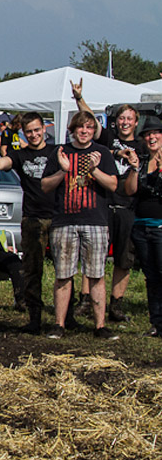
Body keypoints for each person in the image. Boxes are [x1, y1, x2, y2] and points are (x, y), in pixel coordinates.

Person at [0, 112, 58, 333]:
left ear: (44, 129)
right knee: (32, 269)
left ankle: (63, 318)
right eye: (29, 132)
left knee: (63, 270)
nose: (34, 135)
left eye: (37, 130)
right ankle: (34, 317)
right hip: (32, 218)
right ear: (24, 133)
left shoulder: (56, 152)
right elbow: (2, 161)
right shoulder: (20, 155)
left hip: (59, 217)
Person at [41, 110, 119, 340]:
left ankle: (100, 326)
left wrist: (94, 170)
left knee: (96, 274)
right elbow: (45, 185)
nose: (84, 132)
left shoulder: (102, 153)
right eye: (80, 127)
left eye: (89, 128)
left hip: (95, 221)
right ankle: (59, 324)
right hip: (64, 221)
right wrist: (62, 172)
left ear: (93, 131)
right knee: (63, 275)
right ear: (72, 130)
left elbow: (113, 185)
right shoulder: (60, 152)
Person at [74, 82, 143, 323]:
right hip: (102, 204)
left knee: (125, 257)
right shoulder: (109, 139)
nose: (125, 122)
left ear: (136, 122)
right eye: (122, 118)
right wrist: (79, 98)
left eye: (129, 119)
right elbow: (90, 120)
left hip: (127, 207)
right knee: (94, 255)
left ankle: (116, 305)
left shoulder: (143, 146)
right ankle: (85, 300)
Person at [122, 115, 162, 338]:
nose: (151, 137)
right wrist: (135, 169)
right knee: (152, 276)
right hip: (141, 225)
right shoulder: (143, 160)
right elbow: (129, 190)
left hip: (160, 226)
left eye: (155, 133)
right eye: (147, 134)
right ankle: (156, 323)